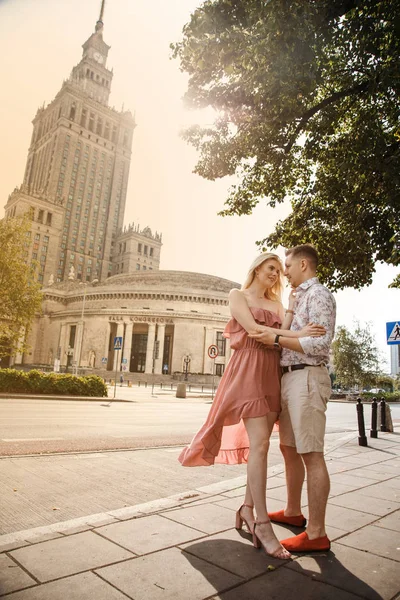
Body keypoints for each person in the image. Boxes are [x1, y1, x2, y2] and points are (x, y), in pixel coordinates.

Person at [178, 252, 325, 560]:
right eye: (271, 268)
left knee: (262, 446)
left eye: (278, 271)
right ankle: (261, 523)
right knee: (259, 447)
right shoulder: (237, 295)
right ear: (257, 269)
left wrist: (291, 328)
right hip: (247, 372)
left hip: (273, 374)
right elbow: (258, 333)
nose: (276, 274)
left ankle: (247, 508)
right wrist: (300, 334)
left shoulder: (278, 305)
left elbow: (279, 337)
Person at [250, 244, 336, 553]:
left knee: (311, 453)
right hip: (289, 377)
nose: (284, 271)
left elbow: (321, 342)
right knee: (288, 449)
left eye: (287, 265)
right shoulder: (299, 298)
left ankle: (316, 533)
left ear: (302, 264)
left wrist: (276, 337)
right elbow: (292, 336)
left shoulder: (319, 295)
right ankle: (292, 512)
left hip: (308, 376)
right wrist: (287, 317)